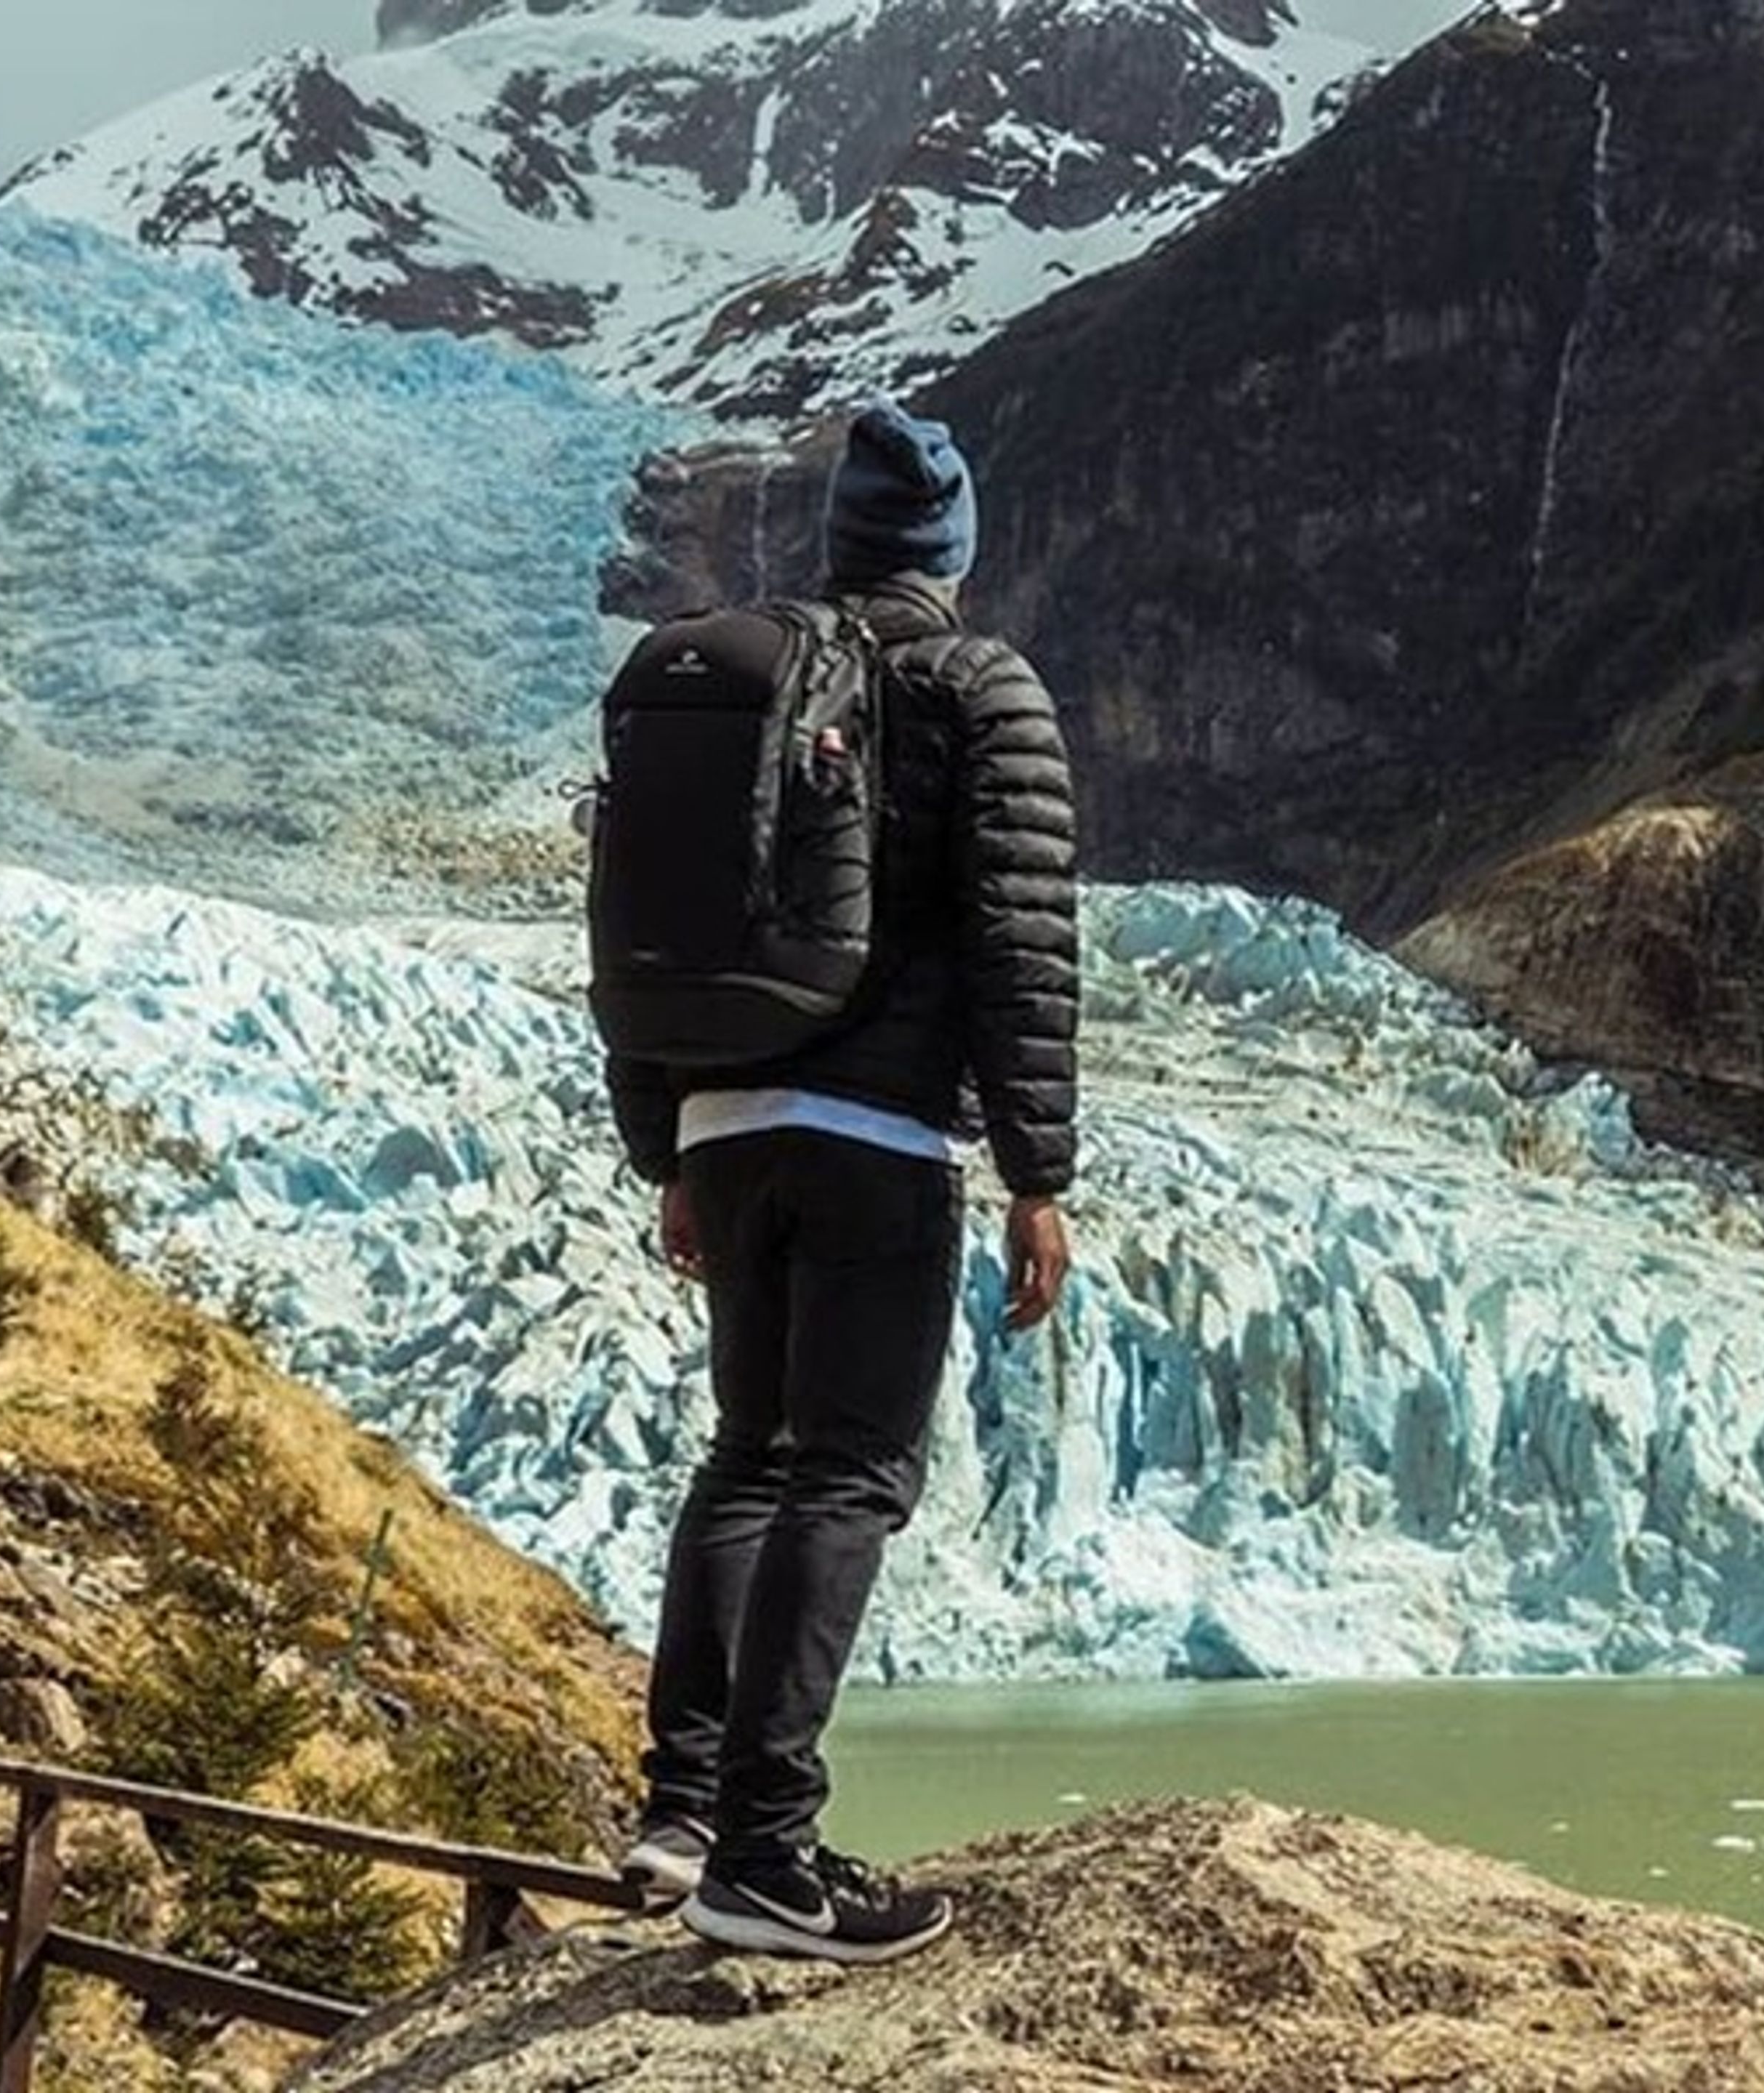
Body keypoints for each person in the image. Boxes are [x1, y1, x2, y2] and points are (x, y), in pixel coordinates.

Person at [603, 401, 1079, 1964]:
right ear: (952, 553)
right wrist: (1037, 1170)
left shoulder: (743, 679)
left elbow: (636, 924)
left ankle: (682, 1815)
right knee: (849, 1474)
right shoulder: (973, 686)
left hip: (728, 1123)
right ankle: (770, 1857)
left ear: (841, 541)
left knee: (750, 1452)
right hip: (875, 1142)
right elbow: (1019, 943)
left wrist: (672, 1135)